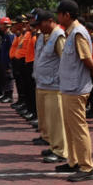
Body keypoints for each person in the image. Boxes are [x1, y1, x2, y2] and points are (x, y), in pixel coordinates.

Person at [55, 0, 93, 182]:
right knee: (70, 127)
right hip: (68, 87)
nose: (57, 17)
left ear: (66, 15)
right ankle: (73, 161)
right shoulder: (70, 32)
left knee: (78, 128)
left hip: (76, 88)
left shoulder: (78, 33)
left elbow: (86, 59)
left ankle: (86, 166)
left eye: (59, 14)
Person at [31, 9, 68, 165]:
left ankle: (60, 150)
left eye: (40, 24)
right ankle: (52, 145)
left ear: (50, 21)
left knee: (56, 121)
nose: (39, 27)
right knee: (47, 120)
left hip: (54, 85)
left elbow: (65, 60)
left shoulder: (58, 36)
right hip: (42, 83)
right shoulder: (42, 36)